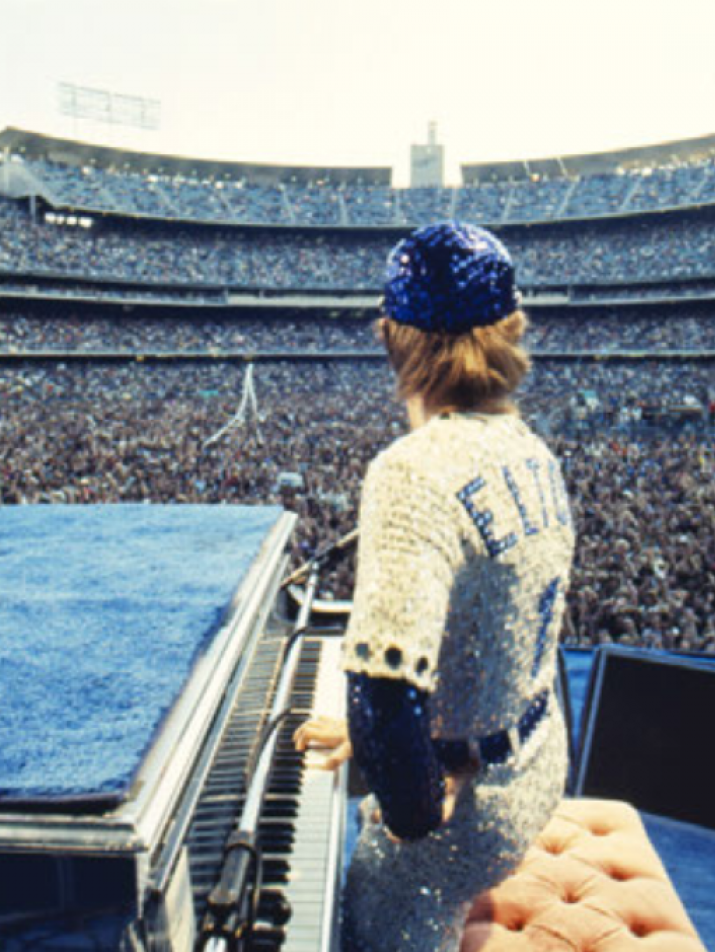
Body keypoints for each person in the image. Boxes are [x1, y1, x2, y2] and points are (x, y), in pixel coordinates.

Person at [294, 221, 575, 951]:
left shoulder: (413, 471)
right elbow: (490, 643)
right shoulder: (536, 453)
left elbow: (386, 702)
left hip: (467, 819)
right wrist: (375, 742)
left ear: (393, 336)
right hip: (539, 768)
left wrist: (413, 816)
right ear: (511, 329)